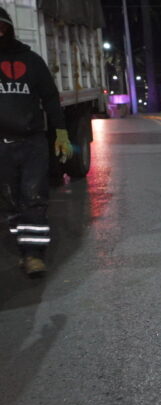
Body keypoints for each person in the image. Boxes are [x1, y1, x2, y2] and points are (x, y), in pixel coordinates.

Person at [0, 7, 72, 277]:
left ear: (8, 28)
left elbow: (51, 98)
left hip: (32, 143)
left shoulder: (31, 61)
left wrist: (61, 133)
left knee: (33, 197)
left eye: (1, 28)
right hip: (1, 146)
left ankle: (33, 254)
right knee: (10, 201)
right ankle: (23, 246)